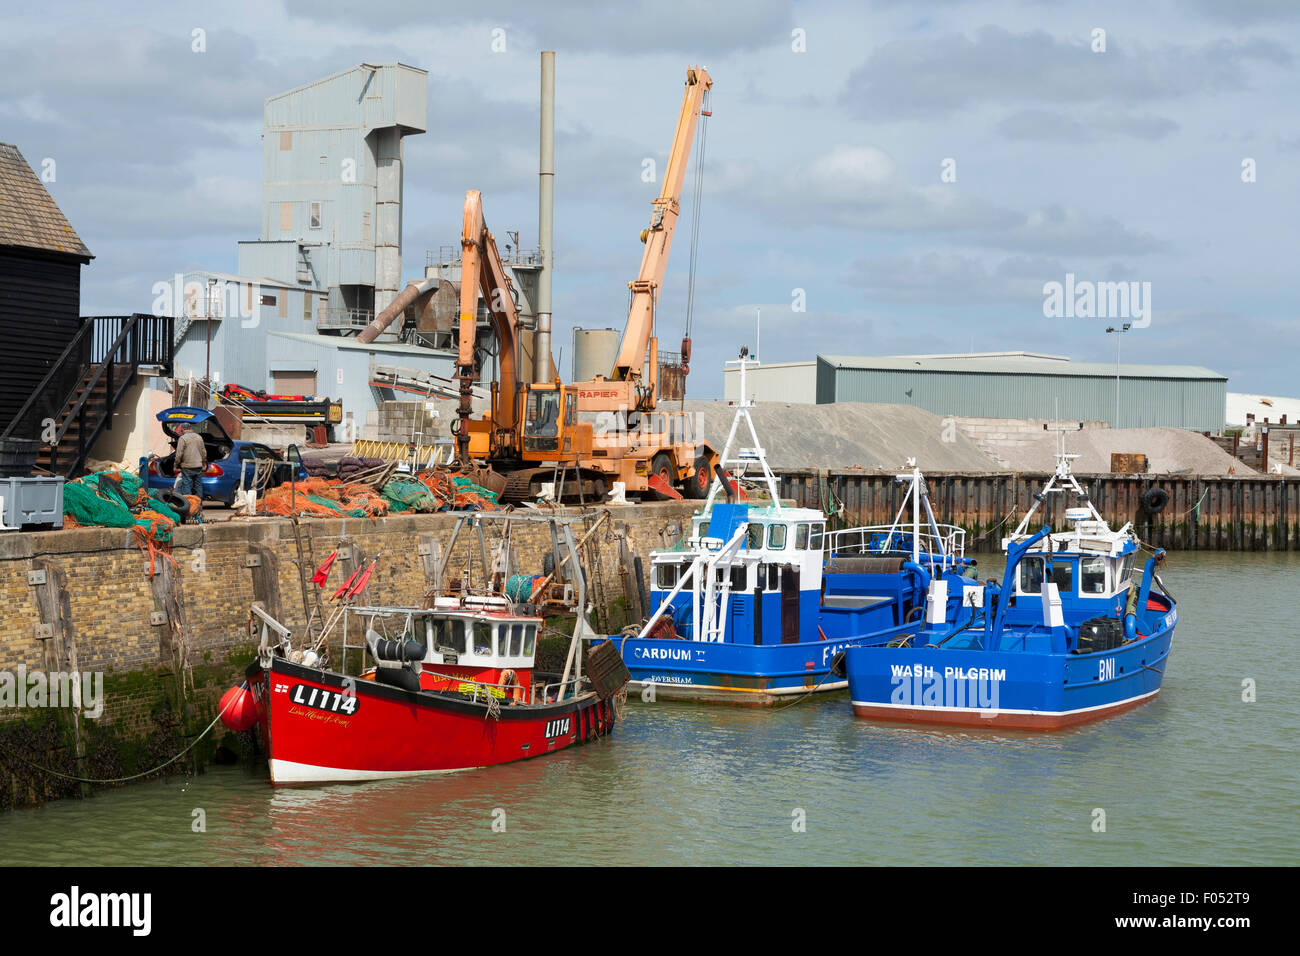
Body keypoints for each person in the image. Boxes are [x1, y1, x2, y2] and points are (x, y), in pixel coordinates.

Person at [173, 423, 207, 498]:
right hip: (198, 466)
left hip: (187, 466)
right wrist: (204, 464)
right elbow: (203, 452)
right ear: (190, 428)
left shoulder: (182, 438)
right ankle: (198, 504)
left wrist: (175, 465)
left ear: (182, 429)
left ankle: (189, 504)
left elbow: (179, 454)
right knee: (198, 485)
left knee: (187, 485)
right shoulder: (199, 437)